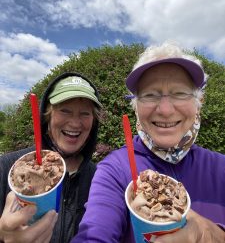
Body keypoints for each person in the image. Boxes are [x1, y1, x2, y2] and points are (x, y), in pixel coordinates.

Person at [71, 42, 225, 243]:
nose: (165, 110)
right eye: (150, 95)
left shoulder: (221, 168)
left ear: (198, 103)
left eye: (179, 93)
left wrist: (211, 235)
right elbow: (93, 236)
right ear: (136, 107)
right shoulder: (114, 170)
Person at [0, 71, 103, 243]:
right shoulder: (7, 168)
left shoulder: (100, 179)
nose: (75, 123)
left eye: (85, 113)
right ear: (47, 116)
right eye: (65, 111)